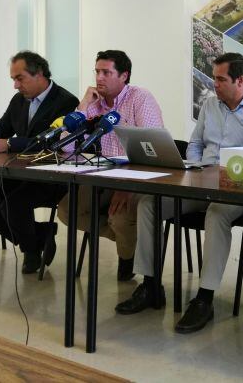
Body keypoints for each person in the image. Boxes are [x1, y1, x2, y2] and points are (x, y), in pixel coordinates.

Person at [115, 53, 243, 334]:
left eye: (220, 79)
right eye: (213, 78)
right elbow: (195, 144)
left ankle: (205, 298)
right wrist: (194, 165)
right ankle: (150, 285)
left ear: (241, 81)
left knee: (216, 213)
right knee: (150, 202)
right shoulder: (210, 105)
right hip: (200, 182)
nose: (215, 84)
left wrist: (223, 174)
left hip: (236, 191)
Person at [0, 51, 79, 274]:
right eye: (13, 79)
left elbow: (53, 142)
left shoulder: (67, 101)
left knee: (13, 204)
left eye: (20, 78)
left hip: (50, 177)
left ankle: (30, 251)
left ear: (40, 74)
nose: (16, 85)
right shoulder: (19, 101)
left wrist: (10, 144)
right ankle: (38, 235)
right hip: (18, 173)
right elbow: (0, 130)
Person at [56, 50, 163, 280]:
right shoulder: (94, 105)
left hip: (136, 178)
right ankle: (127, 241)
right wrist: (83, 104)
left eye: (106, 72)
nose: (99, 78)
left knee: (121, 217)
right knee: (66, 211)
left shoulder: (140, 98)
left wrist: (127, 186)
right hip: (102, 176)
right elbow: (66, 147)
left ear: (124, 75)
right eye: (97, 72)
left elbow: (152, 151)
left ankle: (126, 258)